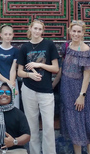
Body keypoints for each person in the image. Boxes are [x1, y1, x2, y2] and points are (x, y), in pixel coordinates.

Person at [53, 20, 90, 154]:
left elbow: (87, 75)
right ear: (70, 32)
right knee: (73, 124)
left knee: (88, 122)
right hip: (66, 88)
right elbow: (62, 68)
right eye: (74, 31)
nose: (76, 34)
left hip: (80, 89)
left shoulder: (85, 50)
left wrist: (82, 95)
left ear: (83, 33)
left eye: (79, 31)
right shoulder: (66, 46)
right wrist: (53, 84)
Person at [17, 19, 59, 154]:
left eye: (40, 29)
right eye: (35, 28)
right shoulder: (24, 47)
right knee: (31, 126)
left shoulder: (49, 44)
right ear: (30, 29)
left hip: (46, 91)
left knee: (48, 126)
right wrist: (30, 75)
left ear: (43, 31)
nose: (37, 31)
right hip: (28, 89)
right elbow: (19, 72)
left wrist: (39, 65)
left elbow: (56, 68)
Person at [0, 24, 20, 108]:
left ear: (13, 35)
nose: (8, 36)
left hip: (12, 82)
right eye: (6, 34)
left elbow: (13, 70)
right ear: (1, 35)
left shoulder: (15, 51)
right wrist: (7, 82)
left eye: (10, 34)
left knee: (13, 107)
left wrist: (11, 84)